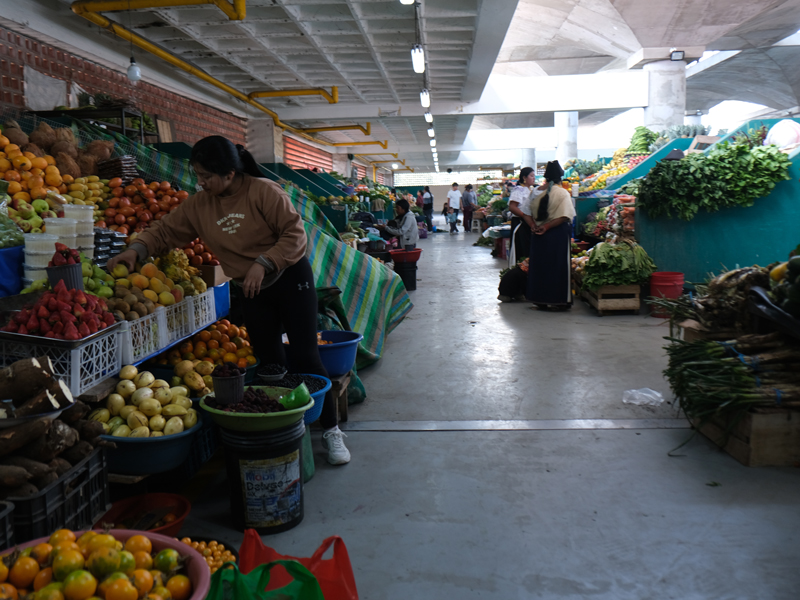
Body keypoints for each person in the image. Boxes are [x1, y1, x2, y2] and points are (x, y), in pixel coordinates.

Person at [106, 135, 351, 465]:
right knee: (270, 363)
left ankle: (331, 431)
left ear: (230, 174)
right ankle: (289, 428)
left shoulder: (263, 191)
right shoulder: (200, 204)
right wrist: (136, 250)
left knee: (306, 358)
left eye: (206, 176)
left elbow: (295, 234)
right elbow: (165, 231)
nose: (201, 182)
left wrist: (263, 263)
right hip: (252, 289)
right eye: (198, 175)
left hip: (290, 277)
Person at [525, 160, 576, 310]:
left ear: (546, 178)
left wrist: (534, 226)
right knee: (558, 265)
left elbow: (526, 213)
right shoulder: (562, 193)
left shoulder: (535, 192)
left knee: (540, 265)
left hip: (538, 234)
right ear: (560, 178)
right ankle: (559, 300)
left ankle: (540, 299)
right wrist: (547, 227)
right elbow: (566, 216)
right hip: (557, 234)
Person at [507, 167, 538, 267]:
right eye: (531, 176)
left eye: (534, 176)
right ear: (524, 177)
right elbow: (512, 207)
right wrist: (524, 216)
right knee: (521, 250)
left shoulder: (530, 190)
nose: (534, 178)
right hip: (520, 224)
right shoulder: (518, 190)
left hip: (528, 224)